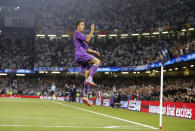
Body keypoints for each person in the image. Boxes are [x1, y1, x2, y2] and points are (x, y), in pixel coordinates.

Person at [73, 20, 101, 106]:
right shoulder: (77, 33)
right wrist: (92, 30)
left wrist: (95, 51)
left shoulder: (82, 38)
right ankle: (91, 78)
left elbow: (87, 49)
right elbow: (88, 39)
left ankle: (85, 96)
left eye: (83, 25)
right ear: (77, 26)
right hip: (81, 54)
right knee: (97, 61)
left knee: (86, 74)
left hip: (79, 57)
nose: (83, 27)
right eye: (82, 25)